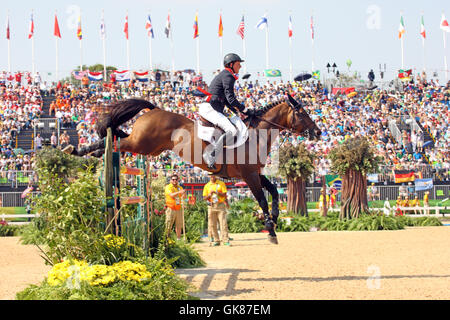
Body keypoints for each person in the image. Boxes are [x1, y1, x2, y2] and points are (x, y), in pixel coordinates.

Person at [199, 53, 252, 169]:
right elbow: (231, 99)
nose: (240, 67)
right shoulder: (228, 76)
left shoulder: (226, 75)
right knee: (232, 130)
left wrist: (238, 112)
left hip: (212, 107)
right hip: (210, 108)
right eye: (238, 64)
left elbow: (228, 102)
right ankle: (211, 155)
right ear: (231, 64)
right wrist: (246, 110)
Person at [203, 175, 230, 246]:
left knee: (223, 223)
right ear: (209, 176)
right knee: (212, 224)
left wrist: (216, 192)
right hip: (211, 205)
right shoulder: (207, 185)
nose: (212, 176)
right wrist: (209, 195)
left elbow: (224, 194)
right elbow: (204, 198)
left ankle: (225, 240)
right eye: (211, 175)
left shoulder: (221, 183)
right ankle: (216, 240)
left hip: (220, 205)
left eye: (213, 175)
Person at [164, 174, 185, 240]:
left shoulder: (180, 187)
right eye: (173, 179)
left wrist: (183, 194)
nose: (174, 181)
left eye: (176, 179)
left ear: (178, 180)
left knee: (179, 225)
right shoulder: (168, 187)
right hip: (171, 208)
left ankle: (179, 239)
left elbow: (183, 197)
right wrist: (179, 192)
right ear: (170, 180)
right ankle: (167, 239)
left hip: (178, 208)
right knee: (169, 224)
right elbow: (171, 195)